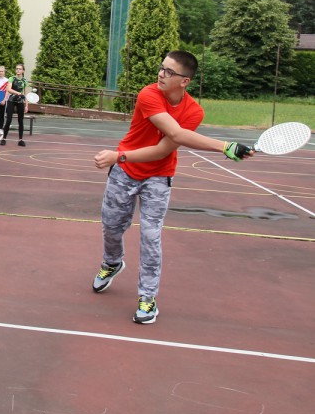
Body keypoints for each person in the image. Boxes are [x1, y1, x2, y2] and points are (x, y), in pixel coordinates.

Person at [91, 50, 253, 323]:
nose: (161, 74)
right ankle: (112, 262)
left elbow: (163, 149)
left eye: (169, 71)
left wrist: (118, 156)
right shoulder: (149, 94)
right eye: (161, 68)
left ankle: (147, 298)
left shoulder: (194, 112)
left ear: (185, 81)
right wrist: (225, 146)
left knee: (151, 236)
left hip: (158, 177)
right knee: (112, 227)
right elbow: (175, 132)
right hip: (125, 171)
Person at [1, 63, 28, 147]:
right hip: (12, 100)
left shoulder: (25, 81)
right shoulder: (11, 78)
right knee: (8, 120)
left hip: (20, 101)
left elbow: (26, 94)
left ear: (23, 70)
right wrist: (17, 93)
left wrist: (26, 105)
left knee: (21, 121)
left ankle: (20, 140)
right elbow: (8, 89)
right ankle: (4, 138)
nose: (18, 70)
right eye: (17, 69)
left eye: (20, 69)